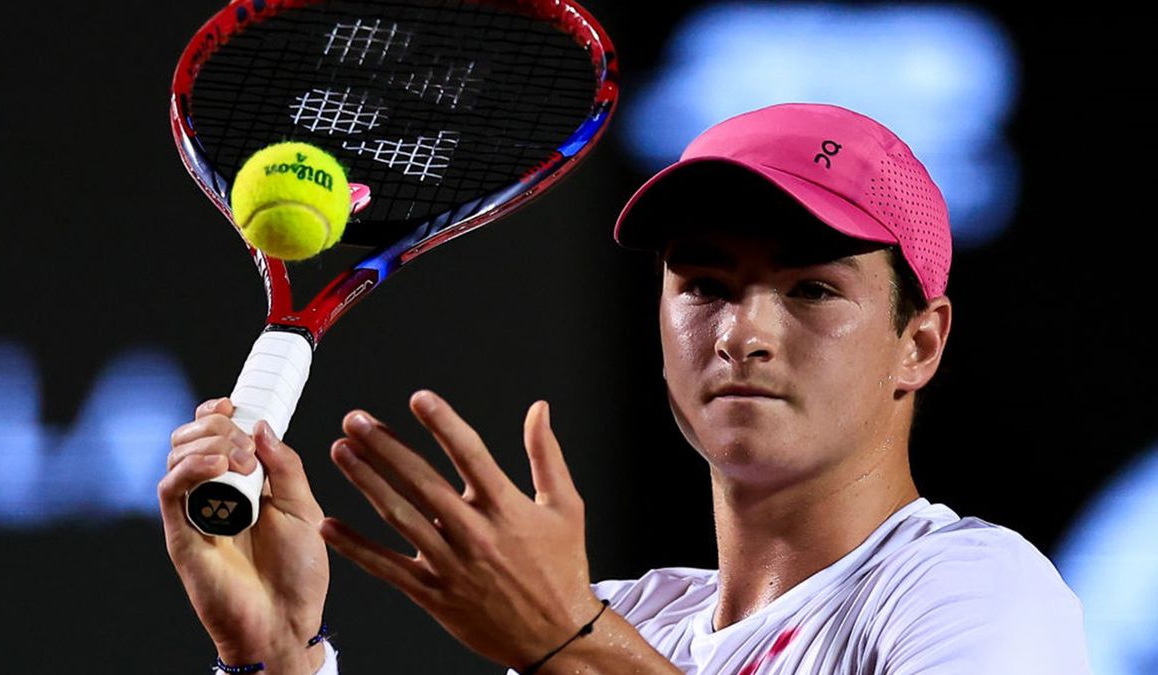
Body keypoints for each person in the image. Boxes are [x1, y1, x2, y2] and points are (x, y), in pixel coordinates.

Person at [160, 103, 1091, 674]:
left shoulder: (972, 590)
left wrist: (571, 644)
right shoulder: (633, 618)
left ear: (919, 343)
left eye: (810, 287)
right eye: (704, 285)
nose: (743, 333)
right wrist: (278, 658)